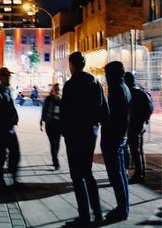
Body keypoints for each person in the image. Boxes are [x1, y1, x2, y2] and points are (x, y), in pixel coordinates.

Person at [60, 52, 108, 227]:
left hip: (74, 134)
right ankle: (97, 212)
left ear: (72, 65)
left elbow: (64, 113)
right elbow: (104, 110)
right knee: (87, 172)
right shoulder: (94, 82)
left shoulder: (70, 85)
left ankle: (84, 215)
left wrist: (65, 132)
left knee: (77, 175)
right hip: (90, 132)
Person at [101, 61, 131, 222]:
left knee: (116, 175)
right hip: (120, 137)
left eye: (107, 74)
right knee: (120, 174)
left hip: (114, 138)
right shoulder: (124, 87)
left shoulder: (117, 90)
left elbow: (113, 116)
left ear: (112, 74)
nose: (106, 77)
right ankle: (123, 207)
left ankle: (122, 209)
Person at [0, 67, 21, 191]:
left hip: (10, 129)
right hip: (0, 130)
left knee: (15, 154)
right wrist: (3, 117)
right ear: (1, 78)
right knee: (1, 156)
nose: (9, 78)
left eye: (9, 76)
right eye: (7, 76)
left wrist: (13, 118)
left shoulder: (8, 91)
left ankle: (14, 178)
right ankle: (1, 182)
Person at [124, 72, 153, 184]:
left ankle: (139, 175)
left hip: (134, 124)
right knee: (138, 150)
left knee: (135, 150)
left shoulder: (131, 92)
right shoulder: (140, 90)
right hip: (141, 124)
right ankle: (140, 173)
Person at [40, 83, 62, 170]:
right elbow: (44, 110)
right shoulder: (49, 99)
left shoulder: (61, 99)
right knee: (53, 143)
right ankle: (55, 160)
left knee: (57, 143)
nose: (57, 91)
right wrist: (41, 121)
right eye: (56, 89)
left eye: (58, 89)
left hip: (59, 124)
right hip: (50, 124)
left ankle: (55, 157)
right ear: (53, 90)